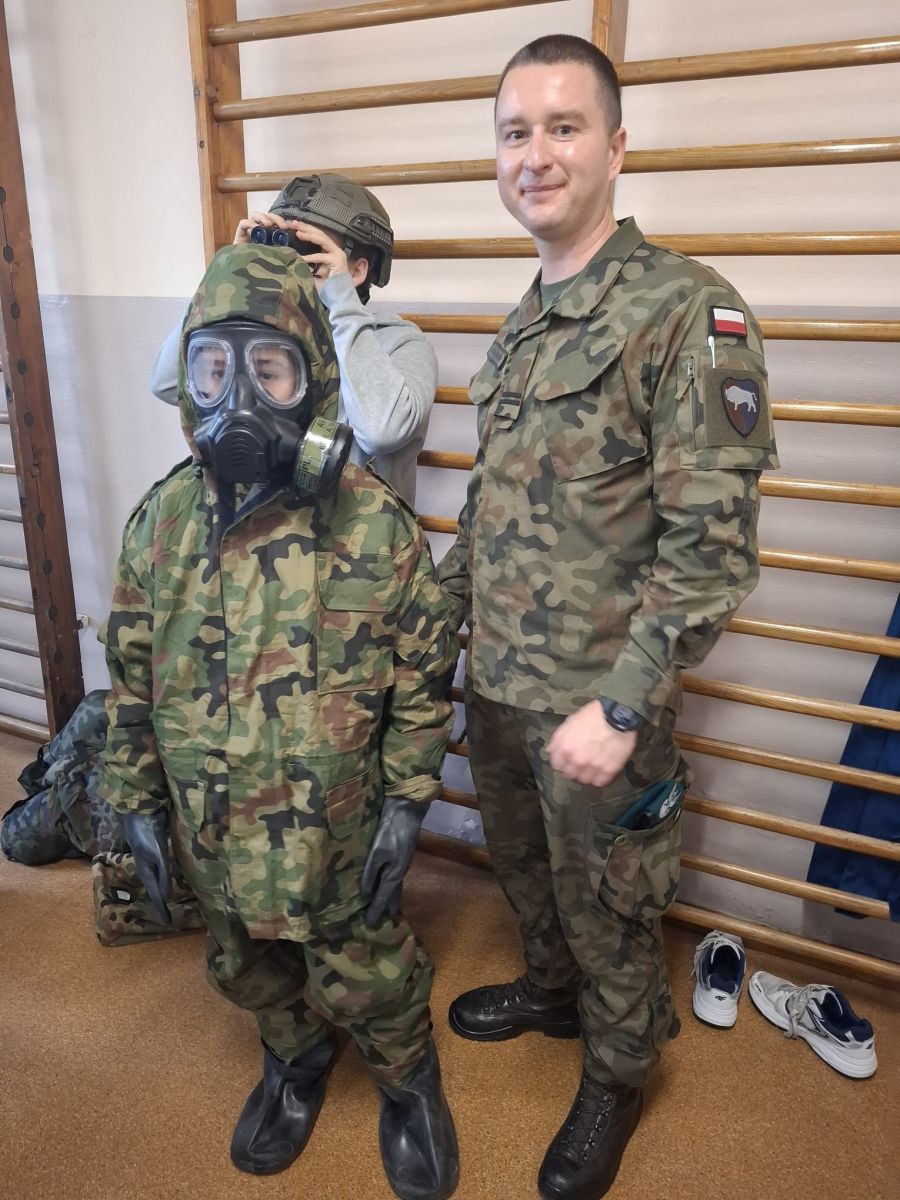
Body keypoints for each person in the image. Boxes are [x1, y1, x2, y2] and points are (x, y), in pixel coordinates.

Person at [437, 34, 778, 1200]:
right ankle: (550, 990)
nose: (535, 156)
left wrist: (625, 705)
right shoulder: (524, 324)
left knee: (614, 904)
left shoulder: (687, 311)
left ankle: (620, 1069)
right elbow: (488, 511)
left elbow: (712, 546)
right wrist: (436, 639)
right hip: (501, 688)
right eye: (514, 132)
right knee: (525, 873)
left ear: (617, 147)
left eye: (563, 127)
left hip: (599, 706)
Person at [99, 241, 459, 1199]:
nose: (239, 400)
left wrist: (408, 802)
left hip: (335, 830)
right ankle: (294, 1060)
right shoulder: (161, 525)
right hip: (213, 822)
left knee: (366, 965)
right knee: (244, 961)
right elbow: (130, 677)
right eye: (215, 369)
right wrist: (134, 799)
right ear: (188, 378)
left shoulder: (373, 525)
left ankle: (407, 1077)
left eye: (270, 370)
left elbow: (423, 674)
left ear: (315, 382)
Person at [151, 173, 436, 506]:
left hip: (361, 533)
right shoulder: (263, 340)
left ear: (357, 271)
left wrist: (341, 300)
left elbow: (381, 432)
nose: (289, 270)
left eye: (309, 255)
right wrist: (227, 282)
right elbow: (168, 384)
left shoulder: (401, 343)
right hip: (271, 530)